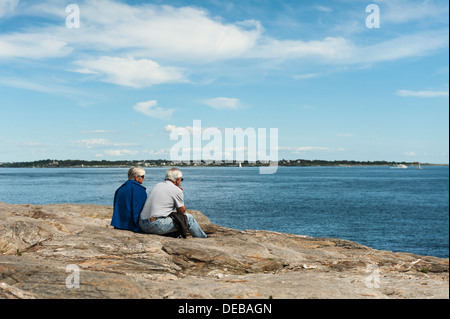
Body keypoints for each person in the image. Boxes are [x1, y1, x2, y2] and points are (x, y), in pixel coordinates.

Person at [139, 168, 207, 238]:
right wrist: (180, 194)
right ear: (177, 180)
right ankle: (203, 239)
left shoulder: (158, 185)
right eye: (181, 179)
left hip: (142, 224)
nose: (181, 181)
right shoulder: (176, 190)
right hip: (155, 225)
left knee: (172, 217)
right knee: (189, 218)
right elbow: (181, 211)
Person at [111, 167, 147, 233]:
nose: (144, 178)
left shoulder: (120, 189)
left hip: (119, 225)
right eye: (142, 176)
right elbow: (139, 210)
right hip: (131, 226)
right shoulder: (140, 190)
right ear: (136, 177)